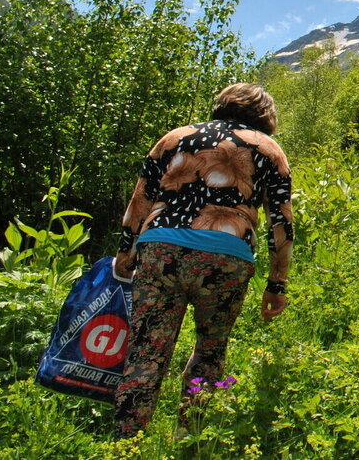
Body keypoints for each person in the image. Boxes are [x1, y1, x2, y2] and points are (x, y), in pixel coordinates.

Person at [112, 83, 293, 439]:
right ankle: (190, 433)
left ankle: (126, 440)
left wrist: (126, 251)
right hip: (227, 256)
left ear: (222, 104)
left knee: (148, 348)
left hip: (161, 248)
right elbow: (281, 223)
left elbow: (141, 198)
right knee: (211, 349)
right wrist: (277, 283)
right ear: (265, 116)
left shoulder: (175, 138)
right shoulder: (269, 150)